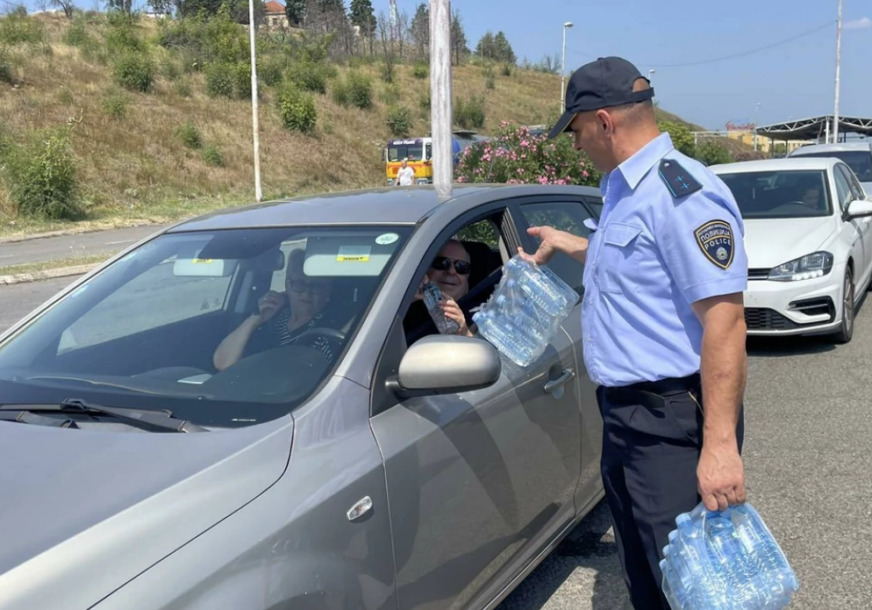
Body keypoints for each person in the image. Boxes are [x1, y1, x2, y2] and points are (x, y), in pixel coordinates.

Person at [521, 57, 749, 609]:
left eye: (576, 132)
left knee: (693, 587)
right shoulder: (623, 190)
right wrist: (570, 242)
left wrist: (719, 447)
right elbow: (639, 265)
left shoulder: (681, 192)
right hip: (625, 416)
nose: (575, 146)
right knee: (647, 575)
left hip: (670, 420)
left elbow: (726, 320)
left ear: (604, 121)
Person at [213, 249, 336, 371]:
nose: (306, 293)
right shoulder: (274, 316)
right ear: (287, 284)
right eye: (299, 284)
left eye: (316, 286)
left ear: (328, 290)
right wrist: (255, 319)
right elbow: (223, 363)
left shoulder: (331, 329)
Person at [405, 240, 476, 341]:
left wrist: (464, 332)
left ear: (467, 276)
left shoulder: (482, 315)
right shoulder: (404, 306)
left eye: (461, 266)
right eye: (442, 263)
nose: (451, 271)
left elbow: (486, 355)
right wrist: (404, 302)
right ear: (426, 269)